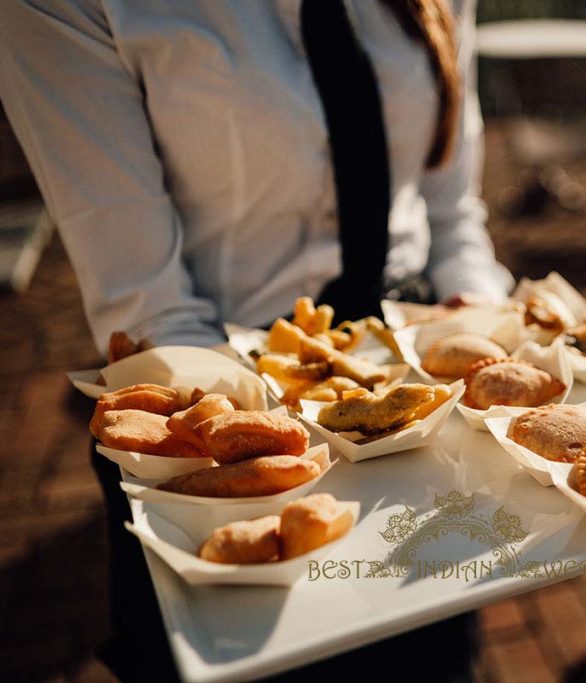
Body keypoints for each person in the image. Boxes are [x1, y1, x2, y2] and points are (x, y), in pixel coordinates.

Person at [0, 0, 508, 680]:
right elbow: (145, 299)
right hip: (218, 383)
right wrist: (260, 446)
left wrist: (482, 322)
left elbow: (450, 212)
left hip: (417, 385)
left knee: (429, 654)